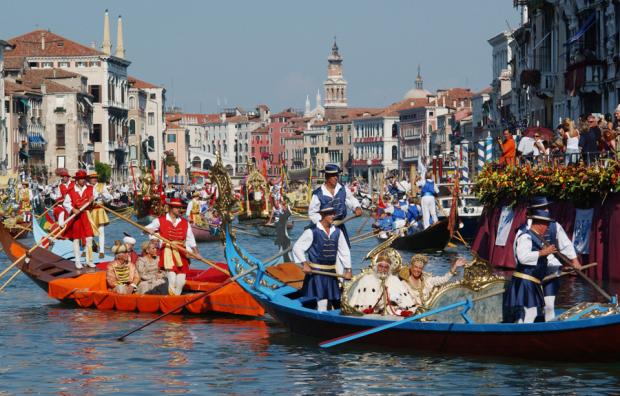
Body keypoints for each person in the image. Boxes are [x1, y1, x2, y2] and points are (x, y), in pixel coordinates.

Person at [504, 197, 582, 323]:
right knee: (527, 310)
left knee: (549, 306)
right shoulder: (523, 232)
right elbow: (520, 255)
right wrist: (528, 269)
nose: (546, 210)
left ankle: (548, 328)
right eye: (543, 208)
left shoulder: (554, 225)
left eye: (546, 208)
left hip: (550, 271)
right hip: (531, 275)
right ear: (535, 211)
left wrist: (574, 261)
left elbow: (565, 244)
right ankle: (523, 329)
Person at [293, 205, 352, 312]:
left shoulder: (338, 232)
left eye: (334, 213)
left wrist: (348, 269)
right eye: (330, 213)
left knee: (337, 298)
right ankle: (321, 320)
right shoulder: (312, 231)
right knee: (322, 301)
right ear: (323, 215)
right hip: (317, 272)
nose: (333, 216)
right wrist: (305, 264)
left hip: (331, 271)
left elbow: (345, 251)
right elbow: (297, 248)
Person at [145, 198, 199, 296]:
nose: (180, 210)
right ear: (171, 208)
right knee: (172, 280)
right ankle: (173, 300)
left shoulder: (185, 222)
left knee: (181, 282)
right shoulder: (160, 220)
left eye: (180, 208)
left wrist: (196, 252)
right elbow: (146, 229)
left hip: (181, 252)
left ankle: (174, 298)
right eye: (177, 208)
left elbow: (191, 239)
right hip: (168, 252)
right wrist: (149, 231)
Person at [347, 249, 417, 316]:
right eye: (381, 266)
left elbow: (405, 301)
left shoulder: (394, 280)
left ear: (389, 269)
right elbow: (356, 299)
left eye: (386, 267)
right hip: (369, 312)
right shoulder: (367, 279)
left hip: (391, 312)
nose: (383, 269)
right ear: (376, 266)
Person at [308, 164, 362, 246]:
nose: (336, 177)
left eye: (336, 175)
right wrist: (324, 223)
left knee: (344, 252)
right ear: (327, 177)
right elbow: (312, 213)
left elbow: (351, 199)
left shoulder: (342, 189)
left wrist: (357, 207)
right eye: (333, 175)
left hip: (339, 227)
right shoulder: (318, 194)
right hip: (323, 230)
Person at [400, 254, 466, 307]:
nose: (417, 270)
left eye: (420, 268)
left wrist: (455, 266)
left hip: (428, 311)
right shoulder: (404, 284)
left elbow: (444, 279)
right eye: (416, 267)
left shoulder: (427, 280)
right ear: (411, 267)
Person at [63, 170, 96, 269]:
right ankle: (77, 261)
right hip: (76, 217)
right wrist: (73, 209)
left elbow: (96, 198)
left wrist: (92, 201)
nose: (82, 180)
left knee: (89, 238)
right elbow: (66, 203)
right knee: (76, 239)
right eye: (80, 179)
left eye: (83, 178)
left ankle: (89, 260)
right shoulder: (71, 191)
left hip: (86, 215)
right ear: (77, 180)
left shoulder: (91, 189)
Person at [88, 172, 112, 259]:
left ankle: (101, 251)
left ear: (96, 178)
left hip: (100, 210)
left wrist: (102, 194)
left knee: (101, 231)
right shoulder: (88, 187)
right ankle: (87, 250)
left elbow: (109, 198)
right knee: (89, 232)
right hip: (90, 211)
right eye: (91, 178)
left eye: (94, 178)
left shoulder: (102, 186)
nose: (93, 179)